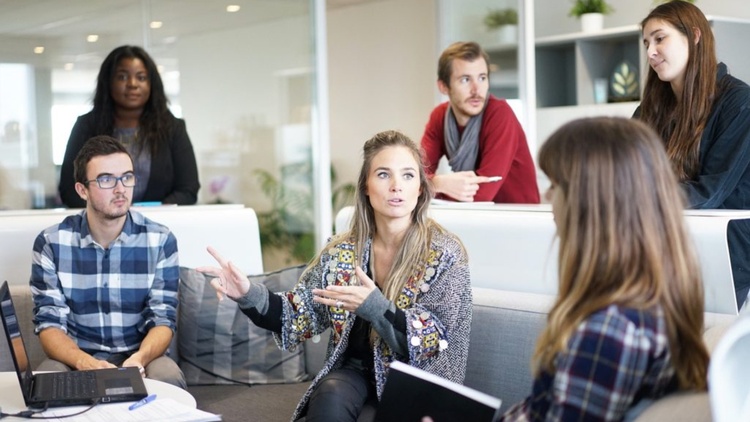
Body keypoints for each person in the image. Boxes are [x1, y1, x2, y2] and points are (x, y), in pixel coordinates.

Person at [198, 130, 472, 422]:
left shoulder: (445, 254)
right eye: (383, 174)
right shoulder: (342, 251)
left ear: (419, 188)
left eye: (407, 175)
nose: (396, 186)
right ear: (366, 186)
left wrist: (375, 307)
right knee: (329, 393)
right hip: (354, 372)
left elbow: (431, 341)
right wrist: (246, 293)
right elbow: (298, 314)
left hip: (417, 379)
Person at [500, 117, 709, 421]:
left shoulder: (609, 332)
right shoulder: (652, 303)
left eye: (555, 185)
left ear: (590, 205)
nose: (547, 197)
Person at [31, 135, 185, 389]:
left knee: (167, 377)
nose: (120, 188)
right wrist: (84, 362)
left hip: (141, 356)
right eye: (106, 179)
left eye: (127, 177)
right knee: (45, 380)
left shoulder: (160, 240)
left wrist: (139, 359)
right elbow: (49, 324)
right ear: (82, 190)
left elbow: (163, 319)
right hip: (76, 358)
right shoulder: (51, 243)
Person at [635, 0, 750, 308]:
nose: (650, 52)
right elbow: (625, 172)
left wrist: (635, 197)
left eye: (660, 38)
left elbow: (711, 191)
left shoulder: (739, 102)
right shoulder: (649, 110)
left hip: (726, 252)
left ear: (695, 36)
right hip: (664, 243)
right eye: (646, 43)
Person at [58, 45, 200, 208]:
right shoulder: (86, 126)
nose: (133, 84)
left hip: (159, 225)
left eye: (141, 77)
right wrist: (111, 213)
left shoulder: (173, 128)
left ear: (152, 84)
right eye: (122, 77)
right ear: (108, 82)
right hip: (101, 227)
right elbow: (69, 190)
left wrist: (150, 216)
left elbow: (188, 189)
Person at [420, 41, 539, 204]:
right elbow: (415, 176)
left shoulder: (499, 114)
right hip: (474, 217)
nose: (476, 89)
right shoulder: (439, 117)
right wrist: (438, 183)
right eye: (465, 80)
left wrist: (430, 187)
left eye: (482, 78)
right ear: (443, 87)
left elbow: (482, 194)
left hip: (518, 219)